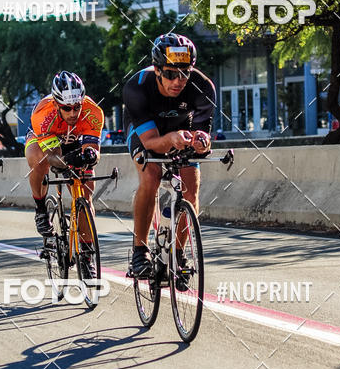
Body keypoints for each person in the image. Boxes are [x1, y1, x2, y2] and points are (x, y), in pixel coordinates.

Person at [123, 33, 216, 277]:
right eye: (170, 73)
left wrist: (202, 142)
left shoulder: (203, 87)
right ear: (156, 69)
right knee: (151, 175)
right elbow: (152, 143)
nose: (178, 81)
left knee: (191, 187)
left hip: (180, 131)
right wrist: (171, 138)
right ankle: (139, 251)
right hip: (147, 132)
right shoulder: (137, 87)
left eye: (184, 73)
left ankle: (178, 252)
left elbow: (203, 137)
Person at [25, 71, 104, 237]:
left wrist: (90, 156)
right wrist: (67, 160)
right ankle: (40, 208)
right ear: (56, 104)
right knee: (39, 160)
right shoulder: (43, 114)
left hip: (73, 140)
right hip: (45, 140)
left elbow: (93, 150)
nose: (73, 113)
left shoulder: (93, 112)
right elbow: (52, 155)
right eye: (67, 108)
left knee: (86, 196)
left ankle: (86, 255)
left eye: (77, 107)